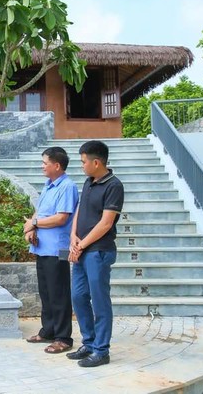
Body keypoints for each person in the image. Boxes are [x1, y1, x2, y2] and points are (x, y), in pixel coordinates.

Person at [67, 140, 124, 368]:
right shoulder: (89, 181)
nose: (81, 166)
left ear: (96, 162)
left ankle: (101, 350)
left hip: (98, 252)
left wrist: (81, 246)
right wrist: (73, 236)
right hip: (81, 250)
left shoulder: (114, 186)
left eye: (83, 162)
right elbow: (80, 209)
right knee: (78, 296)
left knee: (99, 301)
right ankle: (89, 343)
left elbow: (105, 223)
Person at [23, 147, 79, 354]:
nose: (42, 166)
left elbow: (61, 218)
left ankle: (63, 337)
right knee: (46, 292)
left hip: (59, 249)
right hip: (42, 248)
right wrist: (31, 228)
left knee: (59, 293)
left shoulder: (67, 186)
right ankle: (48, 330)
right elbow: (39, 213)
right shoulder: (48, 186)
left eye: (44, 162)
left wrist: (34, 223)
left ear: (57, 165)